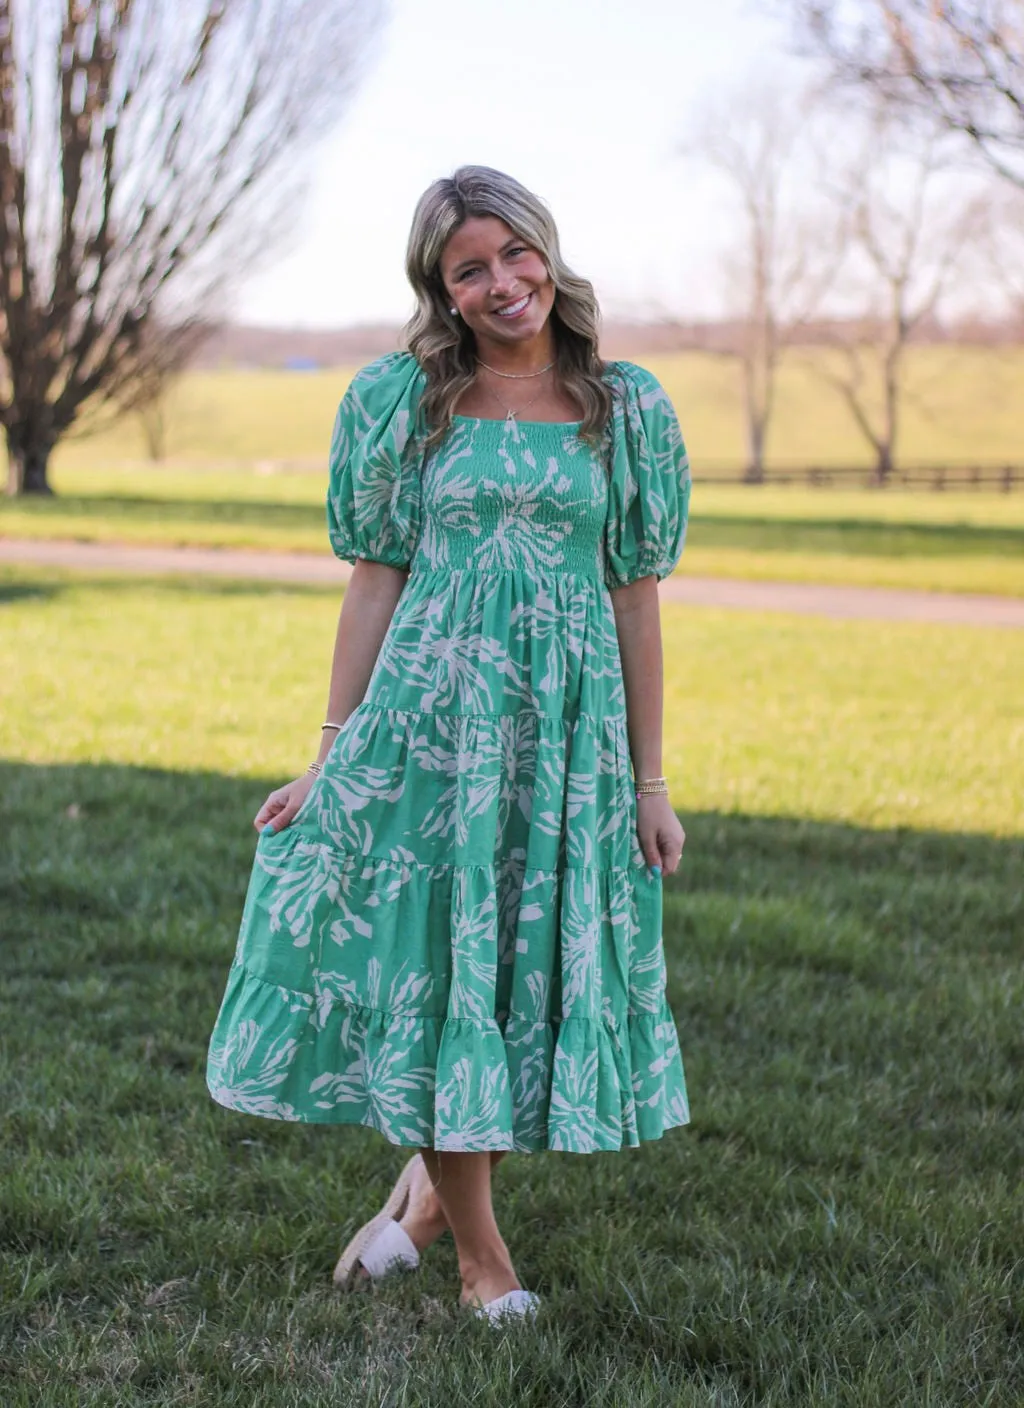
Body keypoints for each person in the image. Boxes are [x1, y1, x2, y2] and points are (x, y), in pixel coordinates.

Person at [206, 165, 691, 1324]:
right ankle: (484, 1260)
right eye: (468, 268)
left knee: (522, 978)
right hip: (429, 727)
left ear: (546, 250)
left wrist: (650, 778)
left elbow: (633, 596)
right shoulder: (403, 401)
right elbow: (376, 580)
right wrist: (331, 749)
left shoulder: (625, 406)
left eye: (513, 252)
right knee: (441, 974)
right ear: (442, 288)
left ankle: (413, 1219)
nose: (501, 281)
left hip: (562, 738)